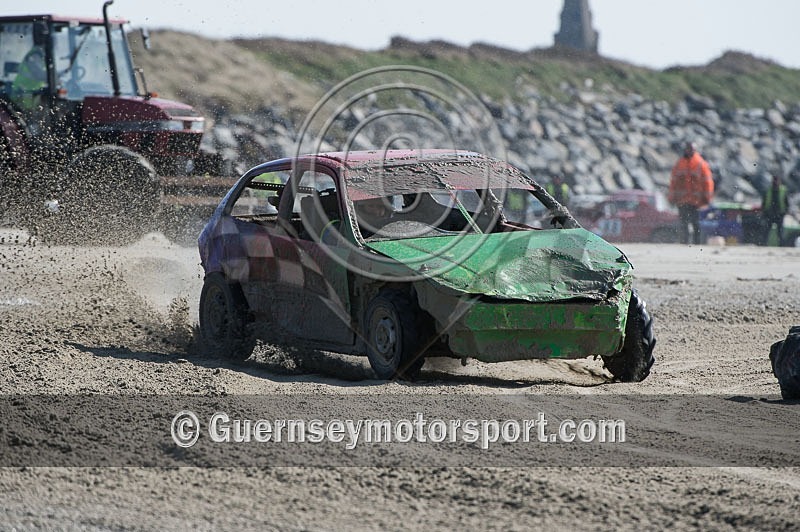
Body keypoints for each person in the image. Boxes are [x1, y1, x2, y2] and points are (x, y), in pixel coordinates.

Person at [668, 142, 714, 245]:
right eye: (688, 149)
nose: (689, 151)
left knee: (696, 223)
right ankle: (684, 243)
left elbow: (707, 182)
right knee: (683, 223)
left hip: (696, 201)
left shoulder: (701, 164)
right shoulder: (679, 164)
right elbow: (673, 182)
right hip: (682, 200)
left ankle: (697, 243)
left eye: (692, 149)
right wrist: (672, 197)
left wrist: (707, 198)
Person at [11, 45, 48, 111]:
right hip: (21, 98)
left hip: (29, 96)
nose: (38, 60)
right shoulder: (31, 63)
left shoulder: (34, 62)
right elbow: (41, 76)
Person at [761, 174, 789, 246]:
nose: (775, 182)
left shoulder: (783, 190)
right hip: (769, 214)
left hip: (779, 214)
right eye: (774, 180)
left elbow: (786, 202)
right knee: (766, 231)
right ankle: (764, 244)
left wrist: (785, 211)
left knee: (780, 232)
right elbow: (764, 202)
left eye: (777, 180)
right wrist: (764, 212)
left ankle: (781, 245)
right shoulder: (768, 190)